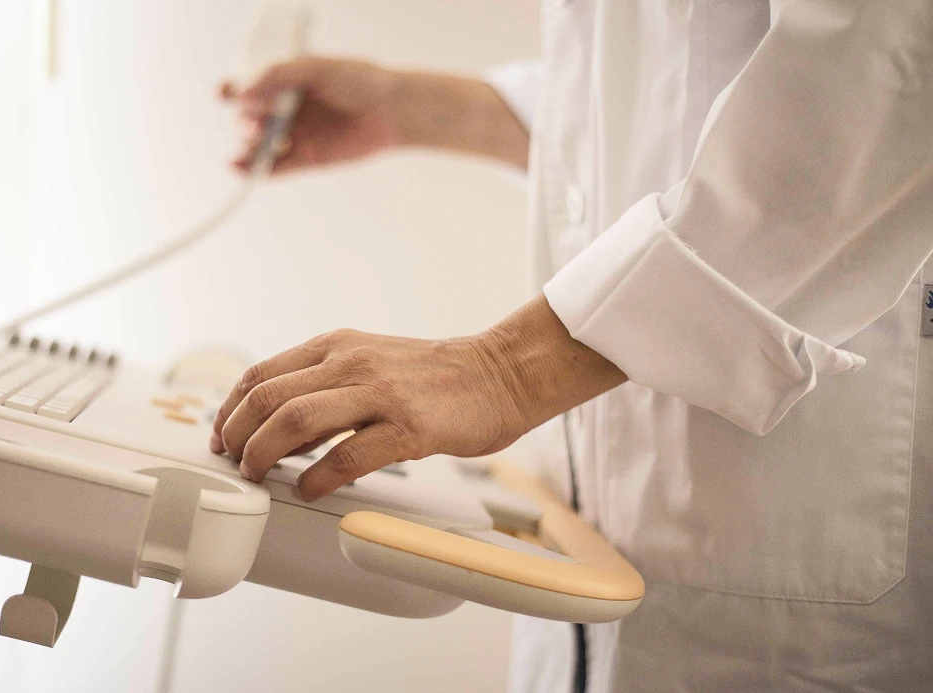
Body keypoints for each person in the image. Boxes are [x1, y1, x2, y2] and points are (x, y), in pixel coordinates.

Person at [215, 2, 933, 691]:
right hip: (598, 516)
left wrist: (505, 371)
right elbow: (655, 102)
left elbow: (882, 91)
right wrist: (413, 107)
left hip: (805, 529)